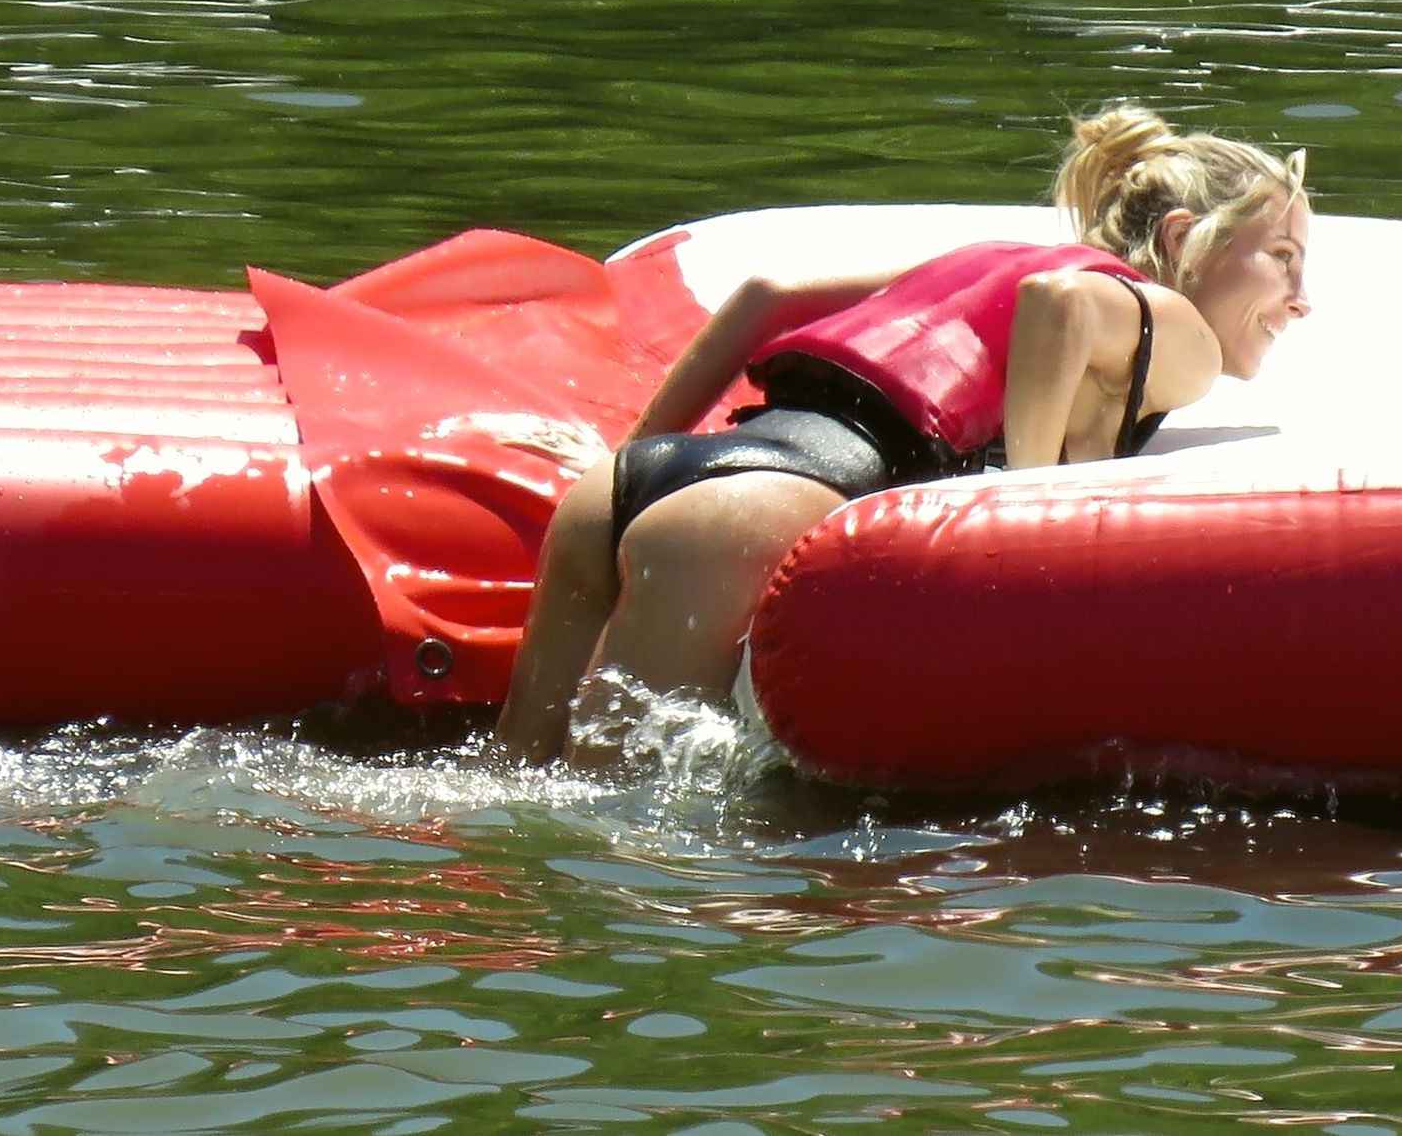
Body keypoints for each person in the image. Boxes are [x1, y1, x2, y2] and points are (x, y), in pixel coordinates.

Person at [494, 105, 1312, 769]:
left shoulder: (989, 257)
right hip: (753, 512)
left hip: (637, 486)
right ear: (1180, 236)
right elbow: (1060, 305)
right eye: (1281, 256)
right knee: (615, 844)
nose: (1300, 296)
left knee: (517, 793)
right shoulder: (1176, 332)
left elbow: (767, 294)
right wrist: (1030, 517)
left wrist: (630, 449)